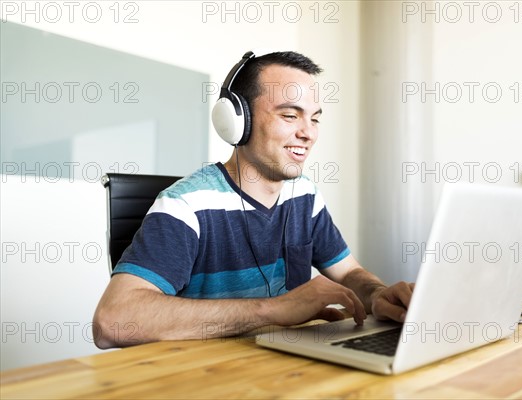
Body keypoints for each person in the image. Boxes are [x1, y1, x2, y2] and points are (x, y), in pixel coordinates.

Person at [93, 51, 414, 349]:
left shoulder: (304, 196)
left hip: (286, 371)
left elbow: (348, 274)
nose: (309, 133)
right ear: (236, 121)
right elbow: (112, 322)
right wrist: (274, 310)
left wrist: (378, 294)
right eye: (290, 115)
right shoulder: (186, 206)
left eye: (314, 119)